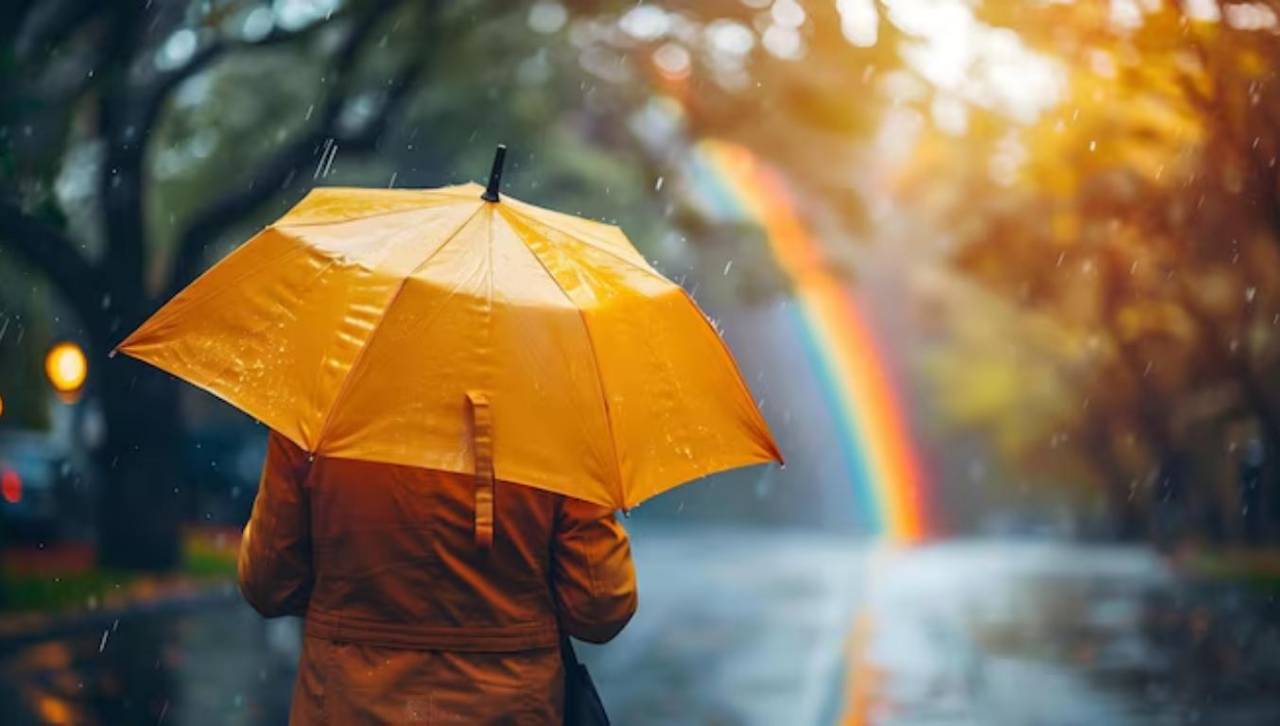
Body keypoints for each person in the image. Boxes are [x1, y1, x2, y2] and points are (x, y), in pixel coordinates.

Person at [238, 431, 637, 724]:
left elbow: (269, 583)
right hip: (511, 708)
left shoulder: (322, 411)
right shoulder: (552, 419)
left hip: (346, 704)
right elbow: (600, 606)